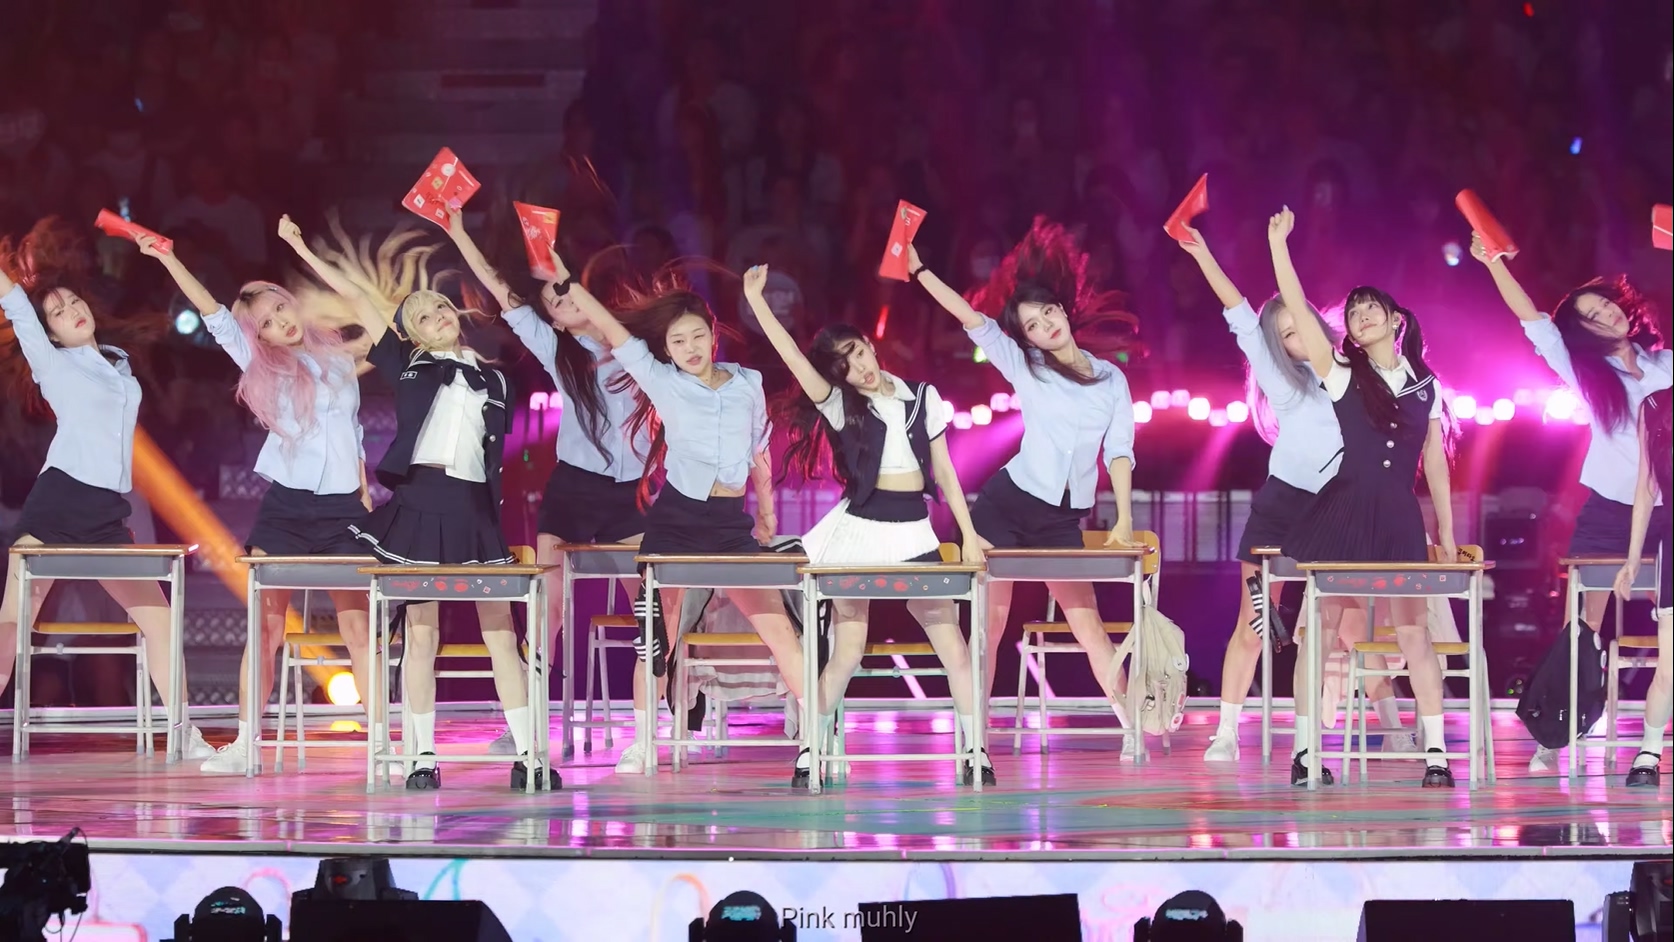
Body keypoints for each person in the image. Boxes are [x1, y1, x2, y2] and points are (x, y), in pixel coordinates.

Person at [282, 218, 546, 791]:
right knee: (422, 633)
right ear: (411, 334)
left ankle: (529, 755)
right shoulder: (408, 363)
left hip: (476, 513)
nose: (438, 315)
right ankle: (421, 757)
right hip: (422, 505)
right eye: (423, 316)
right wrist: (301, 246)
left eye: (442, 307)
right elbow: (358, 296)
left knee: (502, 635)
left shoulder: (497, 381)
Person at [559, 248, 808, 775]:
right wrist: (565, 279)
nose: (689, 348)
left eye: (697, 336)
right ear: (666, 348)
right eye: (677, 341)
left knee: (779, 631)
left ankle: (819, 740)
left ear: (712, 335)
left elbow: (759, 450)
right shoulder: (662, 380)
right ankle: (642, 742)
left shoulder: (748, 383)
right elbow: (612, 329)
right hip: (676, 522)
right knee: (658, 638)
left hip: (731, 525)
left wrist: (767, 512)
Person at [1174, 225, 1417, 761]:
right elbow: (1239, 313)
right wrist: (1202, 251)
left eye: (1301, 326)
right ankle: (1226, 732)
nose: (1298, 339)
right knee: (1255, 623)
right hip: (1282, 509)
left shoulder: (1359, 372)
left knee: (1351, 624)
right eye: (1285, 334)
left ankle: (1393, 727)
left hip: (1340, 511)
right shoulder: (1283, 381)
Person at [140, 224, 376, 773]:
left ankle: (383, 743)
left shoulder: (340, 358)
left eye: (280, 308)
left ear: (293, 302)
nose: (279, 322)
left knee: (358, 627)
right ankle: (247, 743)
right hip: (287, 508)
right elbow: (213, 314)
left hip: (343, 508)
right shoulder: (259, 363)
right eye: (265, 322)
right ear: (258, 335)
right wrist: (170, 258)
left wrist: (364, 492)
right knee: (266, 626)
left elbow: (355, 433)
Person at [908, 217, 1147, 754]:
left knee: (1089, 626)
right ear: (1028, 338)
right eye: (1032, 325)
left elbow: (1120, 450)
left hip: (1062, 519)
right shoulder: (1027, 366)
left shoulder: (1111, 378)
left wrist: (1125, 518)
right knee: (990, 627)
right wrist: (920, 271)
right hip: (1006, 507)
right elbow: (972, 319)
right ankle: (973, 741)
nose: (1044, 326)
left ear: (1062, 311)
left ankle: (1132, 729)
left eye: (1047, 314)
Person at [748, 264, 990, 786]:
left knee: (954, 646)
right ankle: (811, 749)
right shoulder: (841, 406)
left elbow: (946, 473)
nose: (859, 368)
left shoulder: (922, 398)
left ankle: (976, 752)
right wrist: (758, 302)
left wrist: (968, 535)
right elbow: (793, 359)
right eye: (845, 365)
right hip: (859, 533)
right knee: (848, 652)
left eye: (858, 352)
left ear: (870, 346)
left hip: (916, 531)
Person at [0, 218, 214, 758]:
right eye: (58, 311)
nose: (72, 309)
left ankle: (183, 735)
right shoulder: (53, 362)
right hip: (59, 500)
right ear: (50, 333)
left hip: (105, 510)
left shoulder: (118, 363)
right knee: (13, 622)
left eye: (74, 301)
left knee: (159, 621)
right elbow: (18, 306)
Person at [443, 207, 649, 755]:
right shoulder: (559, 349)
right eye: (553, 300)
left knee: (648, 610)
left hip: (631, 495)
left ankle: (653, 727)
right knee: (548, 608)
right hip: (574, 491)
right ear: (552, 321)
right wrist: (458, 231)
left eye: (568, 289)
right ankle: (526, 724)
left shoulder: (638, 347)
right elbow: (502, 291)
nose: (563, 298)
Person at [1270, 206, 1460, 788]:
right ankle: (1306, 752)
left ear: (1396, 319)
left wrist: (1447, 533)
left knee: (1414, 633)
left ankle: (1436, 755)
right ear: (1349, 330)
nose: (1362, 314)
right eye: (1354, 311)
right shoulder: (1342, 373)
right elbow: (1296, 306)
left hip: (1399, 516)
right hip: (1344, 510)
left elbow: (1435, 464)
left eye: (1371, 306)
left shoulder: (1427, 385)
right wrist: (1280, 247)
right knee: (1321, 631)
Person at [1472, 241, 1672, 772]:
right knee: (1582, 626)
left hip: (1668, 512)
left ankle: (1652, 737)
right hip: (1609, 512)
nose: (1606, 314)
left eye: (1606, 304)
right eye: (1592, 316)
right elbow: (1533, 322)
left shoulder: (1666, 364)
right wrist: (1494, 264)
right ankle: (1552, 735)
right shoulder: (1586, 374)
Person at [1613, 388, 1671, 788]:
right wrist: (1633, 559)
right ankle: (1649, 751)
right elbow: (1646, 486)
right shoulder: (1654, 406)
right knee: (1670, 666)